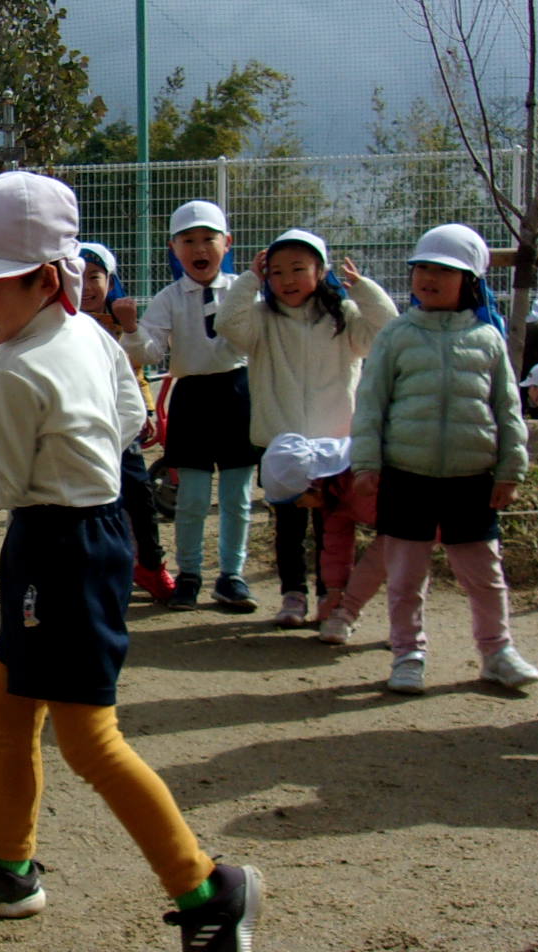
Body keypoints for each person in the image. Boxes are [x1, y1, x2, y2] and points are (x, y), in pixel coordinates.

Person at [0, 171, 262, 951]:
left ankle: (209, 888)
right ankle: (12, 870)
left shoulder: (15, 369)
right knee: (10, 711)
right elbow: (131, 414)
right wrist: (83, 464)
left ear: (46, 279)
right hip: (90, 531)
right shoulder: (84, 331)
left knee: (90, 741)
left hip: (63, 548)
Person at [350, 223, 538, 695]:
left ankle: (497, 652)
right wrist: (366, 463)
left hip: (472, 479)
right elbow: (371, 402)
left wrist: (510, 469)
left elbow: (507, 409)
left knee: (484, 574)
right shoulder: (396, 334)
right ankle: (407, 654)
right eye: (422, 268)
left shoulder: (489, 339)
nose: (428, 278)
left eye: (444, 270)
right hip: (405, 476)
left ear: (471, 282)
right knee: (406, 576)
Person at [217, 229, 397, 627]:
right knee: (288, 525)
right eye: (276, 272)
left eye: (299, 269)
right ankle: (292, 596)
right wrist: (248, 279)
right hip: (281, 446)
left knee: (334, 527)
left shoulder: (344, 317)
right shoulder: (262, 319)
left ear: (321, 271)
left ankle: (330, 597)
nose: (288, 280)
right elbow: (229, 326)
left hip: (334, 447)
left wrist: (364, 290)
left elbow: (387, 332)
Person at [113, 200, 259, 612]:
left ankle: (232, 576)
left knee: (238, 495)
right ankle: (190, 575)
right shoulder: (170, 298)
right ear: (173, 248)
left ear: (227, 243)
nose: (199, 248)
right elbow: (150, 353)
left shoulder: (244, 291)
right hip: (192, 397)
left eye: (208, 239)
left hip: (238, 392)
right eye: (187, 240)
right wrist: (131, 328)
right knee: (191, 497)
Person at [77, 240, 175, 603]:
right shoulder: (58, 321)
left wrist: (147, 410)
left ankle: (150, 564)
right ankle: (89, 571)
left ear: (110, 279)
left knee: (138, 492)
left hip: (120, 424)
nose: (87, 286)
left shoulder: (120, 323)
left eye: (95, 276)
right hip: (77, 427)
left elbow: (137, 372)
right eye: (79, 277)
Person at [257, 432, 387, 645]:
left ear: (313, 484)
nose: (298, 506)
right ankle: (402, 633)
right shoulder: (333, 494)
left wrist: (347, 607)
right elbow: (336, 546)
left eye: (298, 499)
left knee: (402, 571)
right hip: (402, 530)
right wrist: (334, 591)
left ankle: (403, 634)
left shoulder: (367, 485)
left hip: (426, 521)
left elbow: (385, 552)